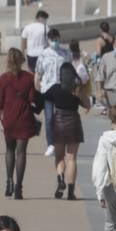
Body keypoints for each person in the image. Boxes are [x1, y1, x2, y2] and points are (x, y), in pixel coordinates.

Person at [0, 48, 39, 199]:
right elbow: (32, 98)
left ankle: (9, 182)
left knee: (9, 150)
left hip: (9, 119)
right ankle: (19, 188)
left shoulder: (3, 78)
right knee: (21, 153)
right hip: (24, 117)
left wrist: (1, 117)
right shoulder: (29, 77)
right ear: (21, 61)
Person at [43, 62, 87, 200]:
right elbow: (87, 105)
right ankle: (71, 192)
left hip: (59, 123)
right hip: (74, 122)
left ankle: (61, 179)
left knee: (59, 157)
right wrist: (81, 94)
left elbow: (43, 98)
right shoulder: (77, 89)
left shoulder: (55, 88)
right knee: (72, 158)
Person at [34, 28, 71, 157]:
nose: (55, 42)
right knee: (49, 118)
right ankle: (50, 144)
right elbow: (38, 73)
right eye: (52, 40)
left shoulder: (66, 53)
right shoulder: (44, 54)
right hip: (48, 90)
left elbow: (70, 70)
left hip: (62, 89)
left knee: (61, 117)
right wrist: (37, 87)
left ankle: (60, 142)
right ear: (48, 40)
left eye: (56, 39)